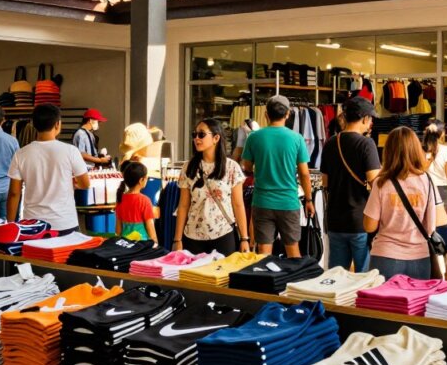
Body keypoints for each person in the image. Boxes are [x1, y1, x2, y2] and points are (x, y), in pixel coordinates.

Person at [241, 96, 315, 257]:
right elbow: (304, 173)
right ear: (287, 114)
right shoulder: (297, 138)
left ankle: (266, 274)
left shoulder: (254, 137)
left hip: (262, 201)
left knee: (263, 252)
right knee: (293, 250)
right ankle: (292, 273)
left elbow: (246, 166)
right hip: (288, 202)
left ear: (266, 114)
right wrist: (309, 200)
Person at [362, 127, 440, 279]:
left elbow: (369, 226)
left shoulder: (381, 182)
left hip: (385, 256)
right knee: (417, 296)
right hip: (420, 258)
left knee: (384, 296)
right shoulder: (427, 180)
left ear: (389, 152)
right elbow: (430, 227)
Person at [7, 104, 90, 234]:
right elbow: (85, 184)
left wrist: (10, 224)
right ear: (57, 124)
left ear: (34, 125)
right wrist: (73, 183)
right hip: (65, 223)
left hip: (33, 225)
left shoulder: (21, 154)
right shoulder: (71, 151)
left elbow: (14, 193)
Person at [174, 118, 250, 255]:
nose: (196, 138)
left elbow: (238, 204)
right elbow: (183, 205)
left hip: (223, 234)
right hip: (192, 236)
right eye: (194, 134)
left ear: (216, 138)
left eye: (201, 134)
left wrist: (244, 238)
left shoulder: (231, 167)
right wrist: (177, 239)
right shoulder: (188, 168)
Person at [322, 97, 380, 272]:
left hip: (335, 219)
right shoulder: (366, 144)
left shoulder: (331, 143)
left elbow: (325, 182)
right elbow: (376, 182)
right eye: (370, 118)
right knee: (364, 276)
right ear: (364, 118)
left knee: (336, 275)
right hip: (360, 220)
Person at [423, 119, 447, 246]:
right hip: (443, 192)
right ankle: (443, 250)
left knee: (426, 223)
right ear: (442, 134)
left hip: (425, 189)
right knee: (445, 225)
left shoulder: (421, 149)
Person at [114, 161, 159, 245]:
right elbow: (150, 227)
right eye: (146, 177)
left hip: (125, 244)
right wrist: (155, 243)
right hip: (141, 246)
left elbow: (118, 230)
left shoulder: (120, 198)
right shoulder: (145, 201)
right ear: (141, 180)